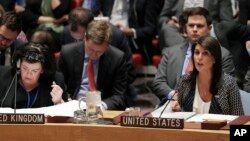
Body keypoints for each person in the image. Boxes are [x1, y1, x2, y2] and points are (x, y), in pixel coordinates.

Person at [152, 7, 235, 102]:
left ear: (209, 28)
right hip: (172, 105)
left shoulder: (223, 55)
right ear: (185, 28)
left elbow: (226, 88)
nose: (195, 29)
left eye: (199, 26)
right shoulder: (170, 52)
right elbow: (158, 82)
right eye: (191, 25)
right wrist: (174, 95)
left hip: (207, 107)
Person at [60, 7, 136, 106]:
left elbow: (119, 95)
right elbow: (60, 86)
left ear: (107, 46)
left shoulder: (117, 57)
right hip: (74, 105)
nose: (94, 54)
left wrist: (102, 106)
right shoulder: (67, 52)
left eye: (99, 52)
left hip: (102, 104)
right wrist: (68, 102)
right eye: (90, 49)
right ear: (85, 39)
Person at [171, 36, 244, 115]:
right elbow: (180, 112)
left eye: (205, 53)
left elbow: (239, 118)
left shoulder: (228, 83)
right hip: (191, 127)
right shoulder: (185, 80)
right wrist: (177, 108)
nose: (199, 58)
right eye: (197, 52)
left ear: (214, 58)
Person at [0, 42, 68, 108]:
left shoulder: (56, 80)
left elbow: (67, 114)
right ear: (19, 64)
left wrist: (59, 102)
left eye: (34, 71)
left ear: (42, 69)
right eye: (25, 68)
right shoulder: (2, 75)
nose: (28, 74)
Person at [158, 0, 233, 49]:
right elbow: (162, 17)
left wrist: (209, 29)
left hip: (207, 33)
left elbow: (227, 22)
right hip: (178, 33)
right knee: (167, 28)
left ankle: (190, 52)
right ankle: (189, 52)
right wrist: (169, 22)